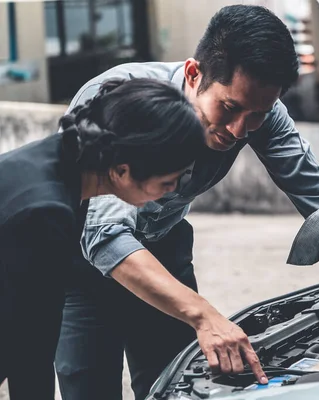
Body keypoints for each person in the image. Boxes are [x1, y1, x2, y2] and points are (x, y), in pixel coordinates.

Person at [55, 5, 319, 400]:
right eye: (229, 108)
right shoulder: (119, 97)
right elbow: (105, 233)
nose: (238, 130)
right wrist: (205, 315)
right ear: (195, 73)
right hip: (80, 262)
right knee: (88, 388)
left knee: (176, 385)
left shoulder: (260, 114)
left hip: (164, 246)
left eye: (256, 116)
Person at [0, 78, 204, 399]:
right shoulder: (47, 210)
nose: (174, 191)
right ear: (122, 170)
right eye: (168, 181)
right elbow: (31, 347)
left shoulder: (59, 167)